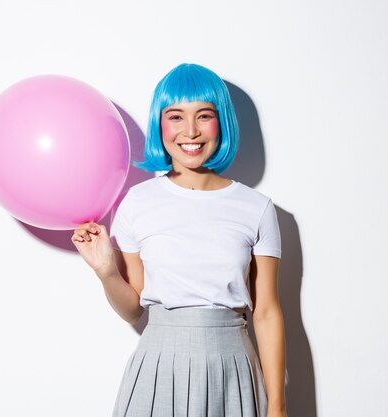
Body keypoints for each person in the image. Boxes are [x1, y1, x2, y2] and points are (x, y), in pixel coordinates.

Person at [71, 63, 287, 417]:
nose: (190, 131)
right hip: (158, 366)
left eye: (204, 116)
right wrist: (107, 271)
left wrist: (277, 406)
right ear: (160, 124)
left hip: (232, 366)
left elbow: (266, 313)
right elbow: (132, 309)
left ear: (222, 123)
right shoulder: (138, 203)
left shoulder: (256, 208)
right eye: (176, 116)